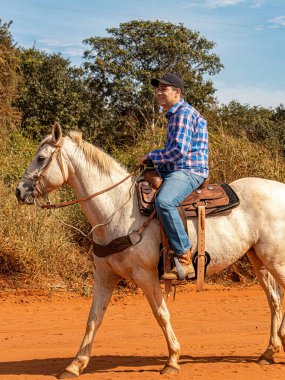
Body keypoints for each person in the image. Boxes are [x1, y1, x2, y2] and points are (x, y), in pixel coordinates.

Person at [140, 73, 209, 280]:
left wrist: (151, 155)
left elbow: (178, 150)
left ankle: (184, 257)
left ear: (177, 92)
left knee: (166, 201)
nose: (159, 92)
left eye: (164, 89)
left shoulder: (184, 115)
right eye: (158, 89)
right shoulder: (174, 115)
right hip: (175, 168)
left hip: (189, 170)